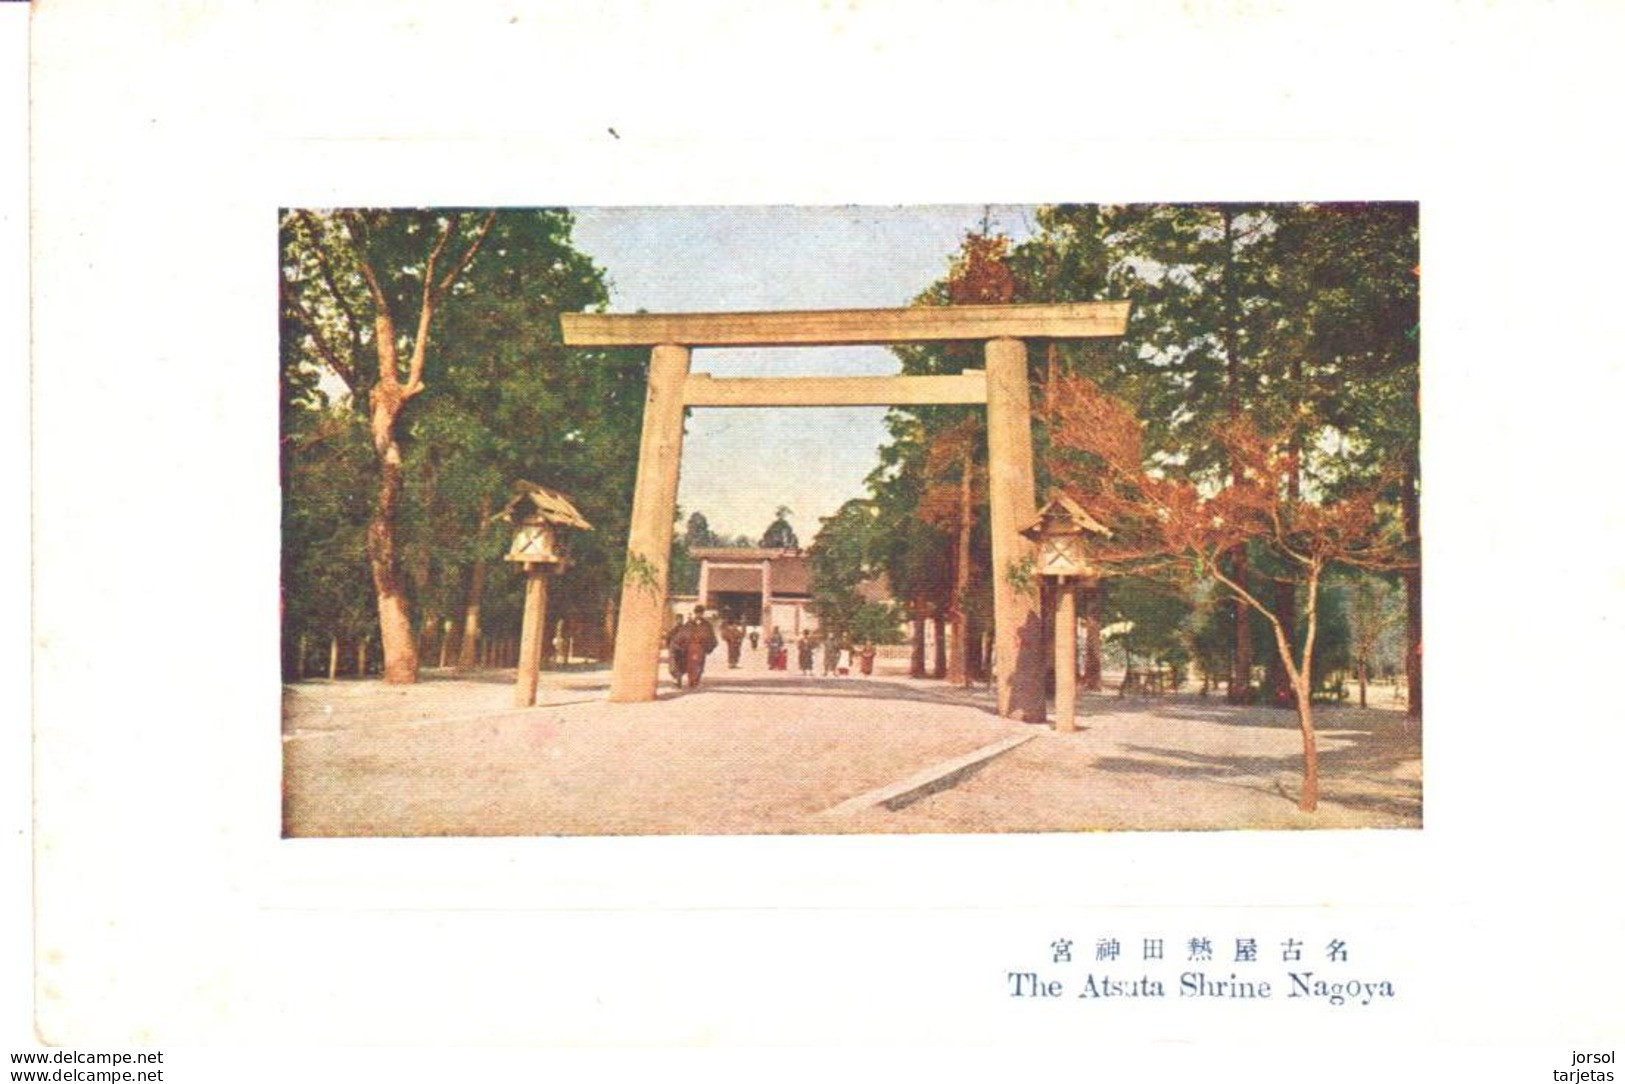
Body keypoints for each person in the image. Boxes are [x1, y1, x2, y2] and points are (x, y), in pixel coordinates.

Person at [666, 605, 718, 689]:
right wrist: (680, 644)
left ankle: (695, 682)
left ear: (702, 613)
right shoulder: (689, 623)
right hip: (690, 647)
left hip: (700, 648)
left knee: (699, 665)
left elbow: (711, 636)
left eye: (700, 613)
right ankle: (691, 681)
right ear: (695, 613)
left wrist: (708, 647)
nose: (699, 614)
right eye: (697, 613)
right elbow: (683, 634)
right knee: (691, 665)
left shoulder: (706, 624)